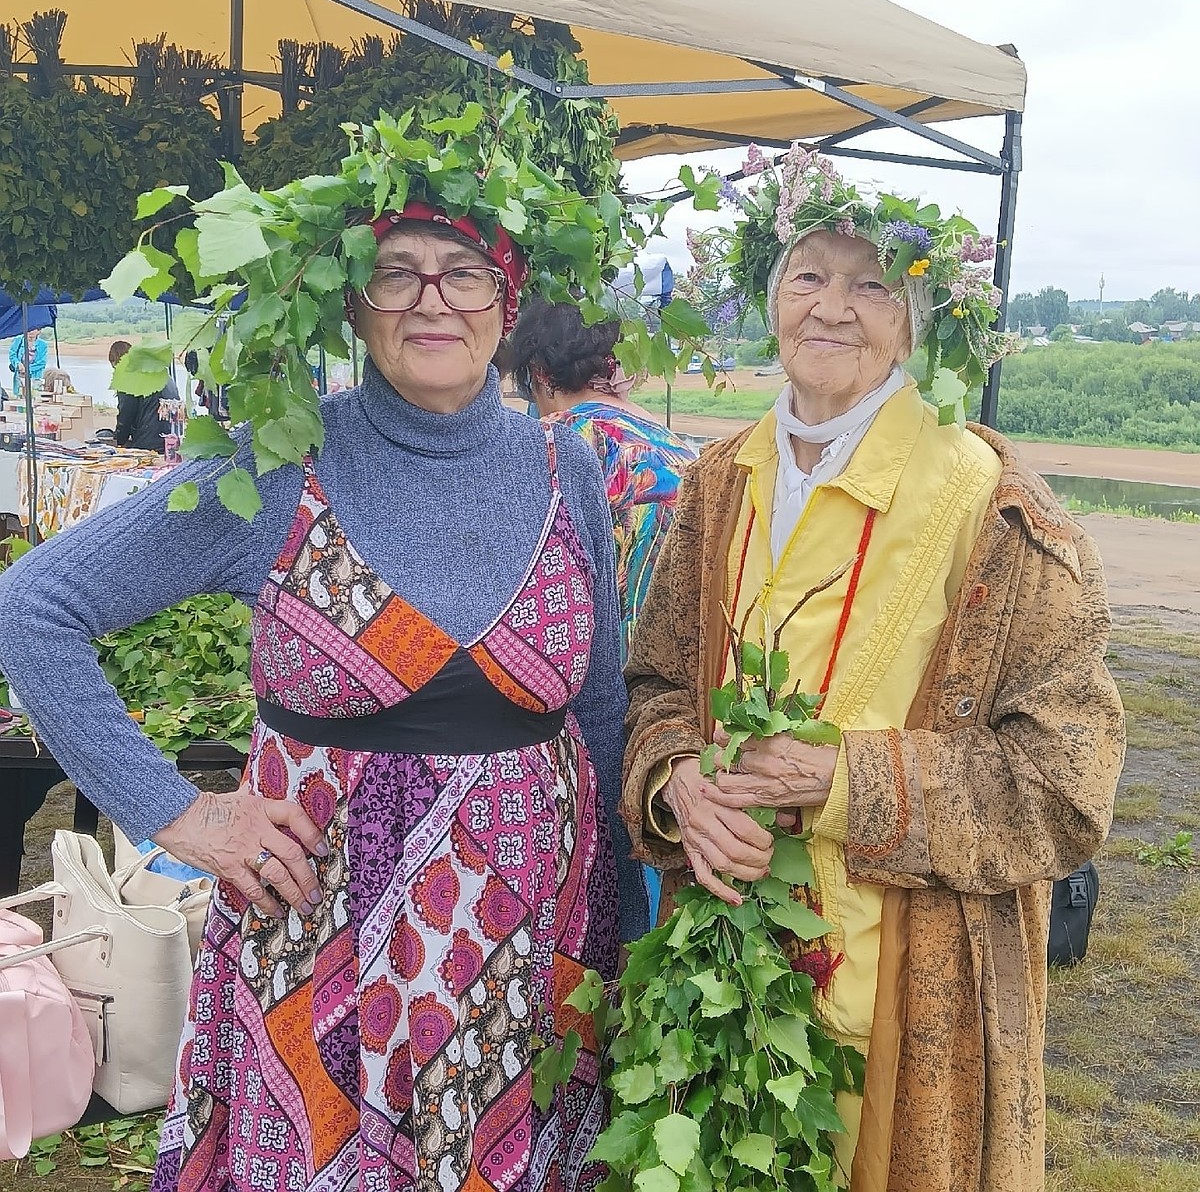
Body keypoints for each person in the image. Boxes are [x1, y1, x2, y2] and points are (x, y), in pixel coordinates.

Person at [0, 198, 633, 1190]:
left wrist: (620, 929)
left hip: (532, 955)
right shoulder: (279, 464)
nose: (432, 299)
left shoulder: (568, 469)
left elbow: (598, 708)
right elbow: (33, 607)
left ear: (505, 304)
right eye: (398, 272)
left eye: (463, 273)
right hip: (327, 960)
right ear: (354, 304)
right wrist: (181, 815)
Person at [620, 148, 1125, 1190]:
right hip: (725, 977)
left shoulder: (993, 506)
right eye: (809, 275)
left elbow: (1067, 782)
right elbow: (659, 686)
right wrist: (677, 782)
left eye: (872, 285)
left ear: (919, 318)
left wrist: (845, 782)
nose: (834, 308)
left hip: (906, 993)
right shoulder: (720, 481)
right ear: (769, 301)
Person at [503, 298, 695, 923]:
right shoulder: (667, 437)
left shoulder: (561, 442)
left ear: (538, 375)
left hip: (614, 683)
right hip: (683, 686)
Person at [109, 339, 182, 452]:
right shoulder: (159, 372)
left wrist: (119, 441)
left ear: (116, 362)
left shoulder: (127, 378)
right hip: (172, 438)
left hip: (149, 441)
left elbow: (126, 414)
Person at [7, 327, 48, 404]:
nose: (30, 331)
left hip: (35, 377)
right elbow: (12, 355)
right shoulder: (18, 340)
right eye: (29, 329)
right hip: (20, 376)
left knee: (34, 399)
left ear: (39, 331)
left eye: (33, 329)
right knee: (20, 399)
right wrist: (18, 364)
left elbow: (42, 362)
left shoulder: (43, 345)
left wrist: (27, 369)